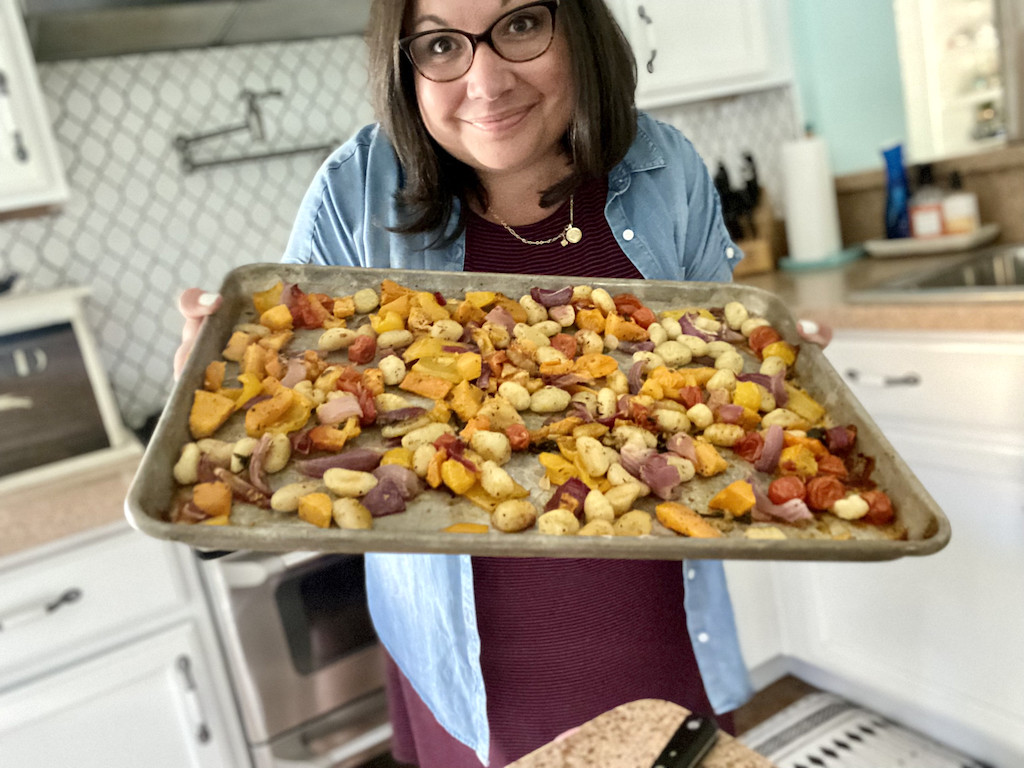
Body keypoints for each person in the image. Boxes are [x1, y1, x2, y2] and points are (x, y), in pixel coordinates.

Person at [179, 0, 764, 764]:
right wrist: (214, 402)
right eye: (442, 44)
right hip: (469, 668)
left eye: (520, 24)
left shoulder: (664, 166)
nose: (486, 81)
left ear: (578, 25)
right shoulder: (354, 193)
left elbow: (729, 382)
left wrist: (774, 360)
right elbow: (284, 425)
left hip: (653, 626)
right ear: (404, 63)